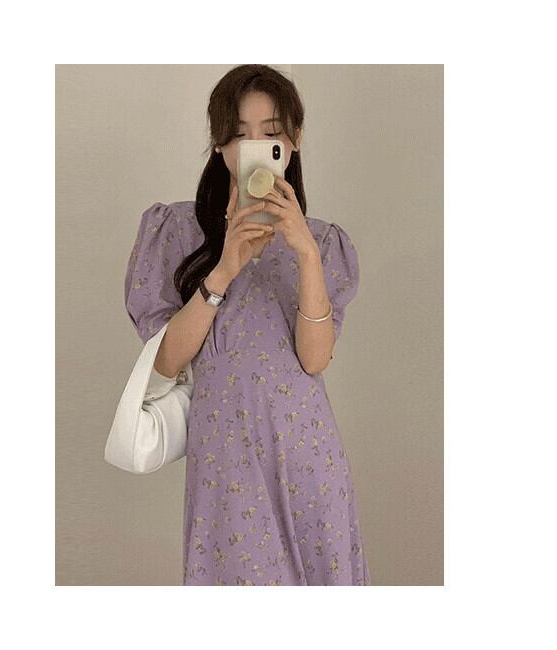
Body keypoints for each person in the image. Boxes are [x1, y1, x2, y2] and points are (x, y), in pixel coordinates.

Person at [124, 64, 371, 586]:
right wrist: (224, 269)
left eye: (270, 133)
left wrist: (304, 253)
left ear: (293, 140)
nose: (253, 147)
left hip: (308, 459)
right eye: (239, 135)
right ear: (219, 146)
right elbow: (165, 361)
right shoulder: (175, 230)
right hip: (226, 464)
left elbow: (315, 360)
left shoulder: (324, 243)